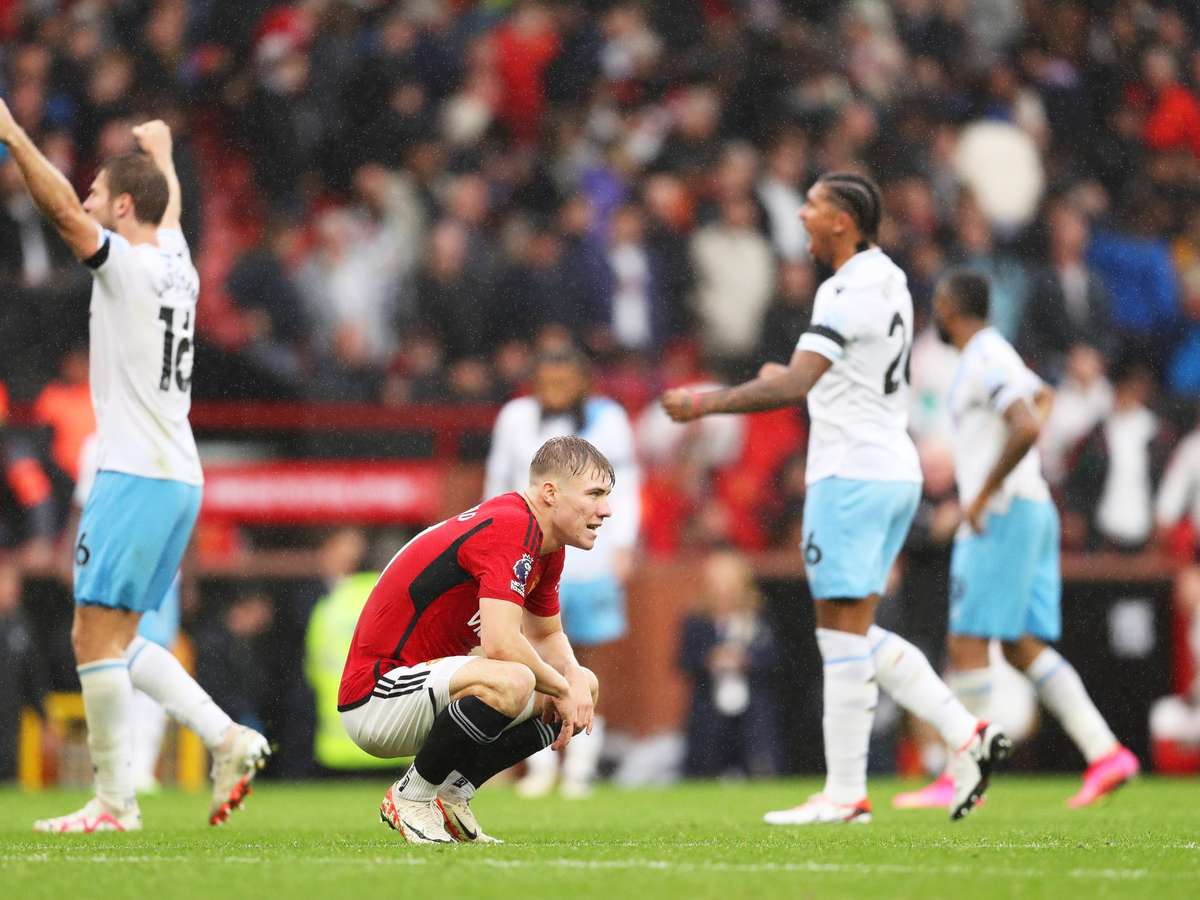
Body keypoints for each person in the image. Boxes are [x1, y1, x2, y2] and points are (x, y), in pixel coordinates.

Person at [661, 171, 1008, 824]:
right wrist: (795, 381)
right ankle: (937, 748)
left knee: (842, 636)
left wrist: (704, 402)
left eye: (814, 205)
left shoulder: (842, 291)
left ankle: (886, 772)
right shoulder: (893, 280)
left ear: (842, 222)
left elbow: (795, 386)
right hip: (891, 468)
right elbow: (836, 379)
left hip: (848, 475)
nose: (800, 214)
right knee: (852, 632)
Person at [0, 103, 270, 833]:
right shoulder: (176, 264)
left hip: (135, 473)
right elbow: (169, 209)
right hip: (174, 473)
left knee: (94, 638)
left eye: (97, 191)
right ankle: (225, 737)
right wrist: (166, 153)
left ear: (122, 206)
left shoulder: (128, 269)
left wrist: (14, 136)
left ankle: (117, 803)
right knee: (112, 636)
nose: (84, 198)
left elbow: (59, 213)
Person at [896, 271, 1138, 810]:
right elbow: (1042, 399)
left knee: (966, 637)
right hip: (1029, 508)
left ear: (954, 307)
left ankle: (966, 772)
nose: (935, 311)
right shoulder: (991, 356)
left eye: (938, 302)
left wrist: (982, 494)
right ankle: (1106, 753)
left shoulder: (983, 355)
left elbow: (1026, 423)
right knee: (1020, 645)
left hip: (1002, 514)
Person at [338, 436, 607, 844]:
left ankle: (450, 794)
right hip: (377, 695)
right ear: (550, 492)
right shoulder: (513, 526)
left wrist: (572, 681)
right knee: (514, 679)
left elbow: (548, 633)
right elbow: (501, 644)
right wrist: (562, 685)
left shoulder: (545, 544)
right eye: (595, 494)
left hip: (426, 687)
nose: (606, 510)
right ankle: (410, 797)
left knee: (582, 680)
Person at [484, 347, 641, 798]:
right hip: (531, 555)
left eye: (564, 381)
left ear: (581, 382)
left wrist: (625, 542)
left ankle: (581, 766)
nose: (555, 390)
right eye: (547, 381)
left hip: (593, 558)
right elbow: (499, 481)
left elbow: (626, 483)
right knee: (532, 658)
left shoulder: (608, 418)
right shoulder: (515, 417)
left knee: (589, 661)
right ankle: (538, 765)